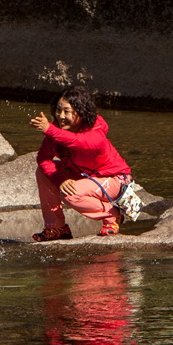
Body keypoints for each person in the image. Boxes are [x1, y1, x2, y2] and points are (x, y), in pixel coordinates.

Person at [29, 86, 132, 241]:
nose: (60, 116)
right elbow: (44, 157)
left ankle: (113, 215)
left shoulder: (95, 132)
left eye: (66, 111)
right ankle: (56, 227)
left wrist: (49, 129)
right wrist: (61, 180)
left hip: (115, 179)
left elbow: (78, 142)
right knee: (42, 172)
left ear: (81, 112)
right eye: (58, 110)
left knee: (71, 193)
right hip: (83, 176)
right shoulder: (57, 130)